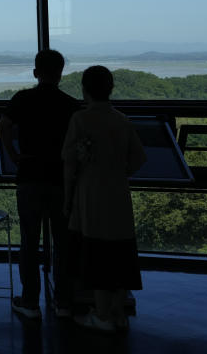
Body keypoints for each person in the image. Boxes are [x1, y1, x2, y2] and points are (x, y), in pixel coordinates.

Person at [62, 65, 147, 333]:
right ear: (110, 89)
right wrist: (118, 173)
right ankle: (117, 312)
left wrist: (67, 198)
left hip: (90, 195)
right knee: (121, 252)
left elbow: (68, 161)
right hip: (118, 194)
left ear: (85, 90)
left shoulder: (80, 120)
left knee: (96, 251)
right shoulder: (122, 119)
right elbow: (138, 158)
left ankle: (101, 315)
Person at [0, 49, 79, 320]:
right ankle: (64, 302)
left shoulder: (22, 99)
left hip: (30, 176)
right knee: (63, 242)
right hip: (61, 178)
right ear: (61, 73)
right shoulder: (70, 104)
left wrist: (13, 155)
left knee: (29, 241)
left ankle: (30, 301)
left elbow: (5, 127)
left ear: (35, 72)